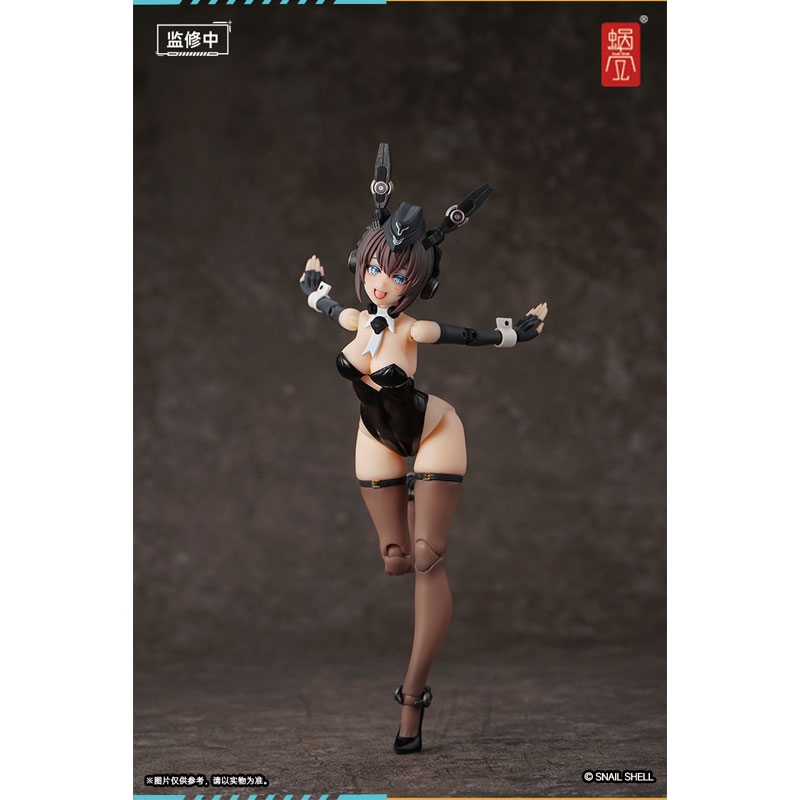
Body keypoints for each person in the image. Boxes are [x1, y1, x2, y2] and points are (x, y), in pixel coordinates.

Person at [299, 146, 548, 754]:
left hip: (433, 430)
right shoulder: (356, 320)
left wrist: (514, 332)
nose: (382, 283)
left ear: (418, 283)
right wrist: (313, 288)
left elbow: (469, 335)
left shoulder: (414, 328)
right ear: (363, 263)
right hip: (377, 437)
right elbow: (327, 307)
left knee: (427, 554)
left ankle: (413, 698)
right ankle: (409, 516)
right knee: (396, 558)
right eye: (376, 268)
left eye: (398, 275)